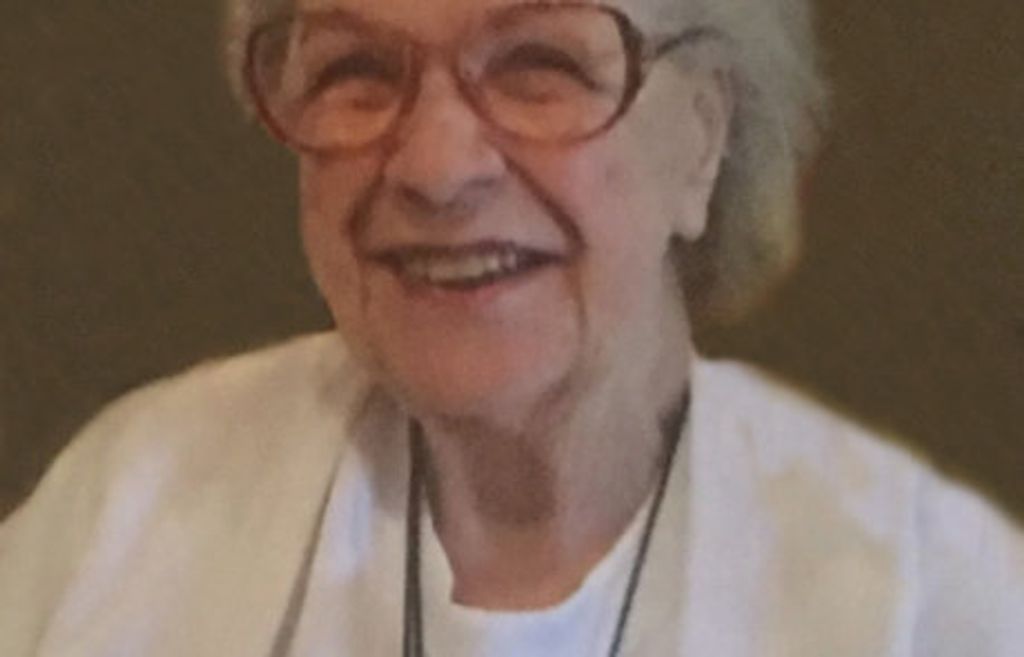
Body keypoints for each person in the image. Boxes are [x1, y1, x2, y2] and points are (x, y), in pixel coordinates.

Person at [1, 0, 1022, 655]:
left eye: (540, 64)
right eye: (357, 71)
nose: (436, 168)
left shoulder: (929, 600)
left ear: (702, 140)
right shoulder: (130, 505)